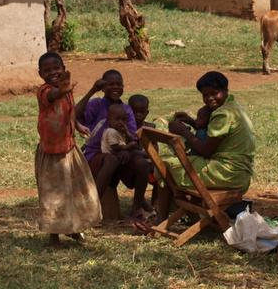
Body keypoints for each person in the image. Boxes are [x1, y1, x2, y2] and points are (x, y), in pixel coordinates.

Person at [157, 72, 256, 219]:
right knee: (172, 163)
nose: (210, 98)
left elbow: (206, 150)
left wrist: (184, 131)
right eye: (205, 95)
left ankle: (162, 219)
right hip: (237, 173)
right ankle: (192, 217)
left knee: (162, 164)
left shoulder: (223, 114)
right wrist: (191, 122)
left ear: (225, 90)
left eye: (214, 93)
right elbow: (213, 138)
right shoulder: (233, 106)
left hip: (228, 173)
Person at [34, 52, 102, 249]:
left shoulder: (66, 89)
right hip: (52, 154)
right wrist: (61, 91)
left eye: (56, 68)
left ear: (63, 69)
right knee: (53, 195)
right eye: (47, 70)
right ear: (40, 74)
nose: (52, 73)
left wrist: (78, 126)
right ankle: (53, 237)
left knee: (76, 190)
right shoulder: (44, 91)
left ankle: (73, 228)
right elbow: (52, 96)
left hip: (69, 150)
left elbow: (69, 111)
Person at [75, 70, 154, 225]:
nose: (115, 87)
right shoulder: (96, 104)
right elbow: (74, 114)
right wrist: (92, 90)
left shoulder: (127, 110)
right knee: (111, 159)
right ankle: (93, 208)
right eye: (110, 84)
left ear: (124, 86)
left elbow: (134, 138)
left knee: (142, 164)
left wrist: (126, 149)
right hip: (97, 154)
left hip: (122, 153)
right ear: (103, 87)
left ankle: (136, 207)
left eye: (119, 84)